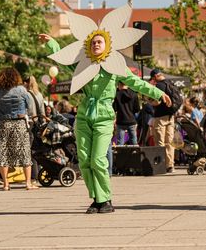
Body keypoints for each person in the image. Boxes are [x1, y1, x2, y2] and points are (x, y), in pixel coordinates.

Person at [39, 33, 171, 214]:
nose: (96, 45)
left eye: (99, 42)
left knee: (98, 159)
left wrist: (158, 93)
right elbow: (64, 59)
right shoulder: (83, 65)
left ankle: (105, 199)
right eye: (93, 42)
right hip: (84, 116)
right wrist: (51, 43)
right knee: (85, 160)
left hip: (104, 117)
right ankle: (96, 199)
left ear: (107, 45)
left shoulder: (115, 66)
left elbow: (136, 82)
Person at [0, 67, 38, 191]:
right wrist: (25, 113)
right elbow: (30, 106)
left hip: (4, 124)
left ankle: (6, 184)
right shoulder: (22, 90)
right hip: (20, 124)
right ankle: (28, 183)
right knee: (24, 152)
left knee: (3, 153)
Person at [149, 68, 177, 173]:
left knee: (159, 142)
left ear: (155, 76)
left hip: (160, 117)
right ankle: (170, 166)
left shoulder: (159, 86)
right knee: (169, 142)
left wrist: (149, 100)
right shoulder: (171, 83)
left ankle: (160, 165)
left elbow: (156, 102)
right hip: (171, 116)